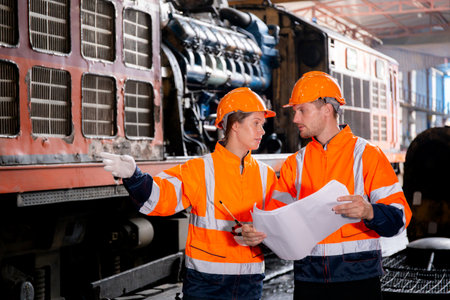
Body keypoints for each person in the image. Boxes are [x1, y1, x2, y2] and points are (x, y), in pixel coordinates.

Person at [241, 71, 412, 299]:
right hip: (309, 283)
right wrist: (256, 233)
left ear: (327, 110)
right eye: (295, 112)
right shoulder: (296, 164)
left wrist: (370, 211)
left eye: (302, 110)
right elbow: (274, 219)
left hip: (358, 283)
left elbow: (399, 219)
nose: (295, 119)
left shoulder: (367, 156)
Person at [100, 87, 277, 300]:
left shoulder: (265, 175)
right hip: (207, 285)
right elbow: (159, 198)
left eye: (262, 125)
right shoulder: (200, 170)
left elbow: (278, 225)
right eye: (256, 123)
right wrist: (134, 177)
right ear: (235, 125)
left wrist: (264, 234)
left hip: (250, 283)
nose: (262, 131)